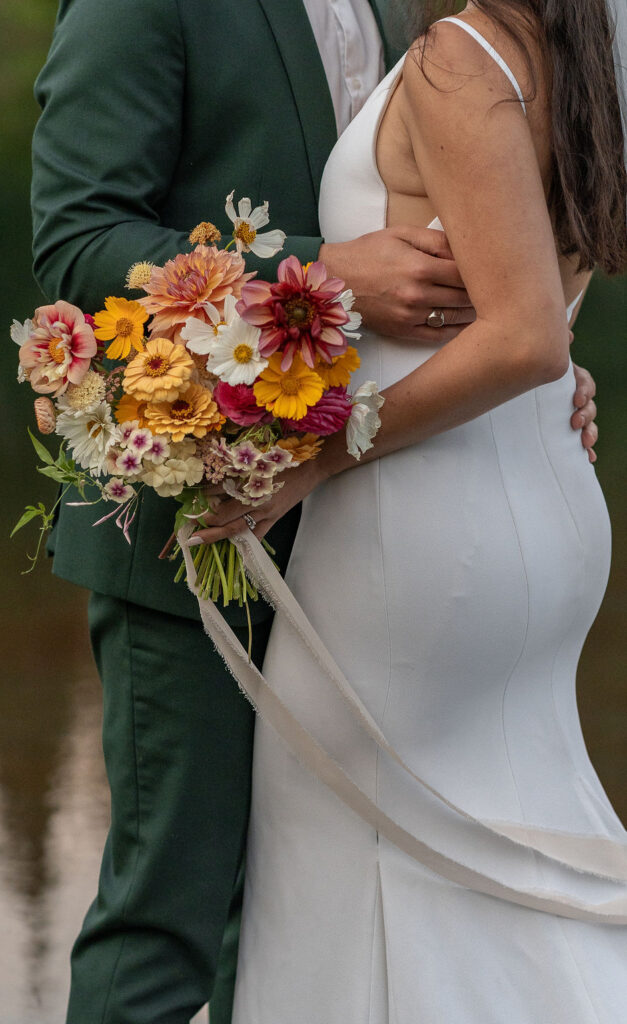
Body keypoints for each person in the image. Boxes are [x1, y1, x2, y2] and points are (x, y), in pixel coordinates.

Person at [30, 1, 600, 1021]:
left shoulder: (416, 13)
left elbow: (473, 220)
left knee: (312, 912)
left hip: (386, 529)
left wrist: (530, 367)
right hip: (198, 517)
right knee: (166, 918)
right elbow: (77, 243)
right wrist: (322, 274)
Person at [190, 1, 627, 1020]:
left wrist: (312, 453)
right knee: (506, 839)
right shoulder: (577, 56)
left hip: (423, 532)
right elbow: (543, 294)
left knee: (345, 845)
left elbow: (523, 338)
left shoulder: (459, 54)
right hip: (541, 497)